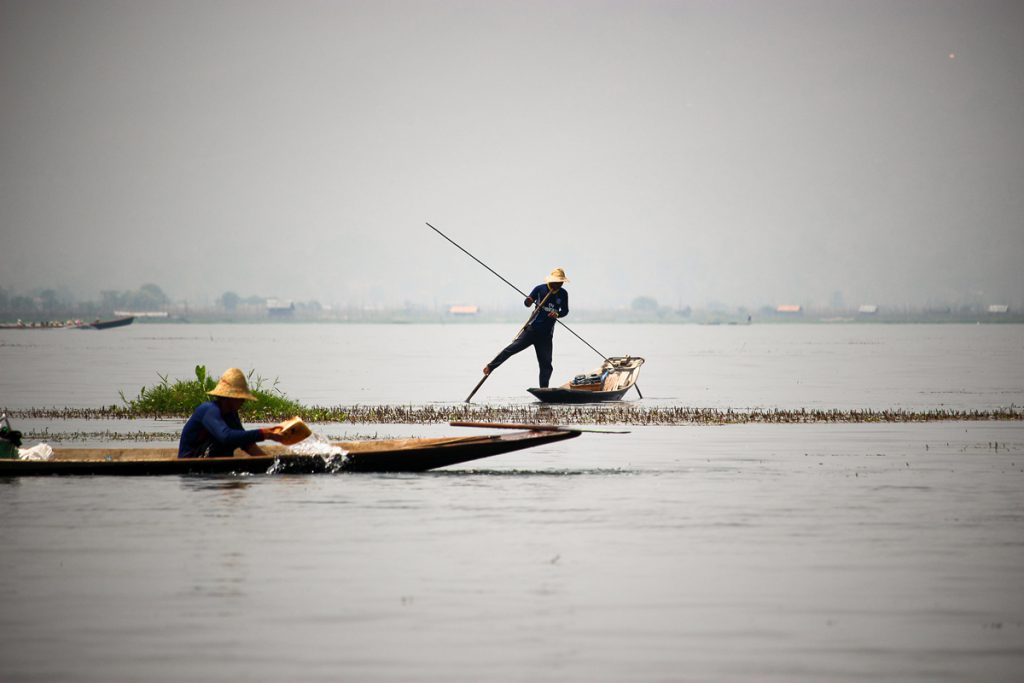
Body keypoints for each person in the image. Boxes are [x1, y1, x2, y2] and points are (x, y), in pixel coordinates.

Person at [483, 268, 570, 388]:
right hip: (531, 330)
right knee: (511, 349)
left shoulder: (563, 293)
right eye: (557, 282)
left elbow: (565, 311)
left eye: (561, 282)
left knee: (546, 365)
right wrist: (528, 301)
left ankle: (544, 390)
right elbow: (527, 303)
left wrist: (557, 314)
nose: (559, 284)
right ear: (552, 281)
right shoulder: (540, 289)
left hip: (546, 335)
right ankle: (490, 366)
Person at [178, 367, 285, 458]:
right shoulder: (209, 410)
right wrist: (263, 434)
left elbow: (246, 444)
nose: (243, 401)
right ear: (229, 397)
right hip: (193, 467)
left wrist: (267, 461)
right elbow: (226, 437)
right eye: (240, 398)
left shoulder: (231, 414)